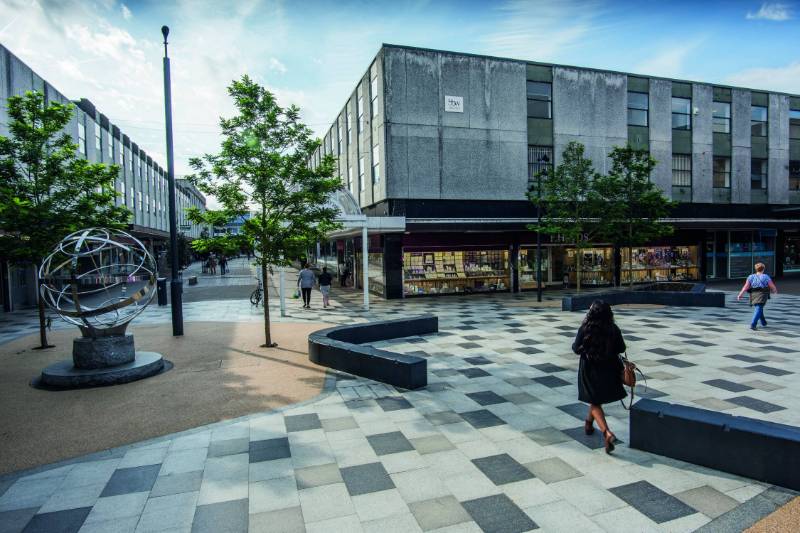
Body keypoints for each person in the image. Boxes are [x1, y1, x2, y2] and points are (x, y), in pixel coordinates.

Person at [572, 300, 627, 454]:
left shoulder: (585, 328)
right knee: (595, 400)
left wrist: (586, 348)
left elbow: (576, 348)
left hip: (590, 369)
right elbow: (621, 348)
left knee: (594, 401)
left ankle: (607, 433)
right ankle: (588, 424)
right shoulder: (613, 329)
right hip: (610, 369)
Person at [737, 263, 778, 330]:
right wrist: (775, 291)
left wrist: (740, 294)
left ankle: (763, 322)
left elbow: (746, 287)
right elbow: (772, 285)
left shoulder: (751, 276)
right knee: (759, 308)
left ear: (756, 269)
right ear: (763, 269)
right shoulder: (766, 276)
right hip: (762, 294)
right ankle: (753, 324)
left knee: (759, 307)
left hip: (753, 294)